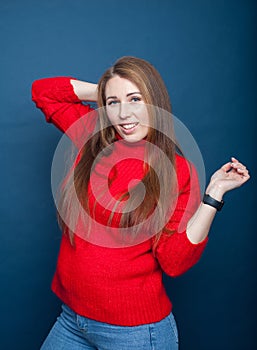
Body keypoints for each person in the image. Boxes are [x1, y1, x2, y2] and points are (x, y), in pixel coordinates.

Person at [31, 56, 250, 350]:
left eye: (135, 99)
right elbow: (43, 92)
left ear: (154, 102)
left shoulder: (177, 171)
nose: (124, 114)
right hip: (72, 319)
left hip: (134, 333)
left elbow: (174, 262)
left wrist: (213, 196)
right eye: (113, 103)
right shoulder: (91, 137)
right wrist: (108, 90)